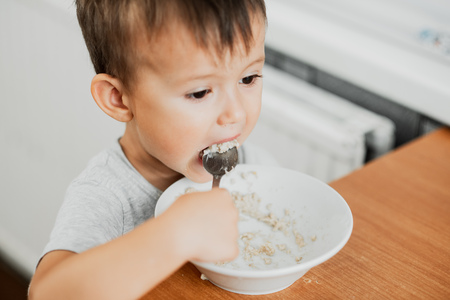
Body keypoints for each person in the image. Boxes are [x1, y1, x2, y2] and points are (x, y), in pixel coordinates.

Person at [29, 0, 272, 299]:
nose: (235, 114)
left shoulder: (250, 164)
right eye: (199, 92)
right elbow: (47, 293)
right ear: (118, 98)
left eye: (248, 78)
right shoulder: (107, 195)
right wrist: (176, 234)